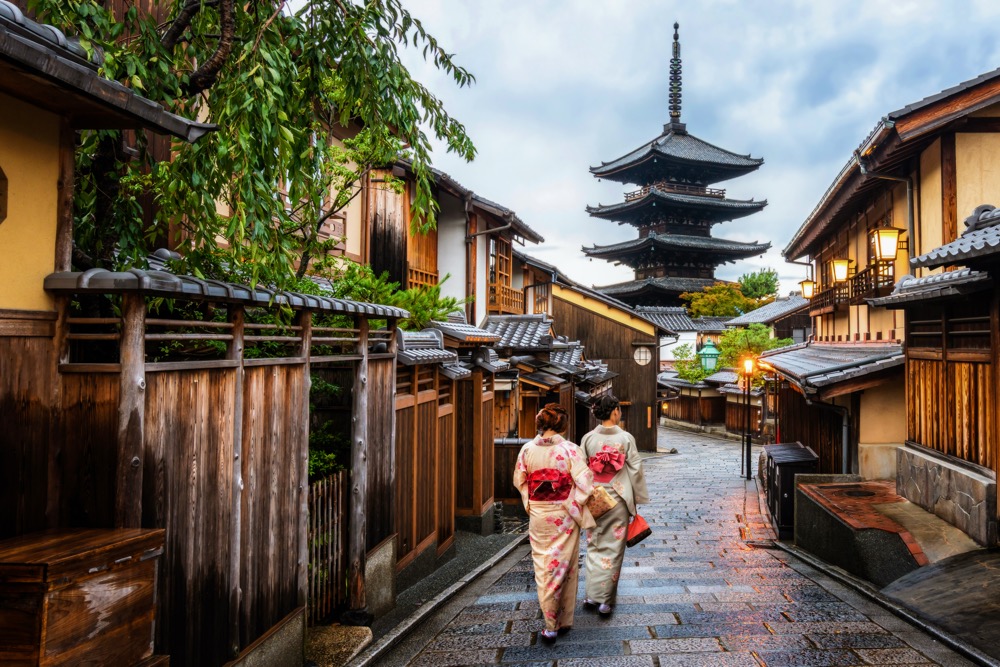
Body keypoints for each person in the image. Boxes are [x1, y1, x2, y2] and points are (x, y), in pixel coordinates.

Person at [513, 403, 595, 643]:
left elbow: (520, 480)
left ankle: (556, 622)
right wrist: (574, 501)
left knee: (544, 566)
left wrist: (530, 504)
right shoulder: (571, 450)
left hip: (539, 513)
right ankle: (557, 622)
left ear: (541, 423)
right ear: (563, 425)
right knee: (566, 565)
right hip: (565, 514)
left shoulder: (527, 450)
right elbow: (586, 483)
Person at [580, 394, 649, 615]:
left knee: (594, 545)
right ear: (615, 411)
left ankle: (591, 595)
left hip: (595, 498)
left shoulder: (588, 438)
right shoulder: (626, 438)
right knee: (614, 550)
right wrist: (636, 499)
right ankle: (605, 600)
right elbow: (636, 469)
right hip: (618, 497)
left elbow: (582, 470)